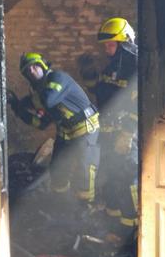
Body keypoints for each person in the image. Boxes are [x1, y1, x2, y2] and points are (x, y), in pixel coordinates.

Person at [8, 52, 100, 211]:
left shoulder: (57, 78)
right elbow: (40, 124)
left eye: (35, 66)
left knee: (85, 169)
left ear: (43, 65)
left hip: (85, 129)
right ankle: (61, 203)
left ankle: (86, 207)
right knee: (58, 168)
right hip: (65, 132)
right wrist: (18, 108)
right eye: (28, 70)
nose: (32, 71)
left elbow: (49, 100)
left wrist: (28, 102)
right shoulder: (39, 93)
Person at [84, 17, 138, 242]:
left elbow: (138, 105)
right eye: (106, 45)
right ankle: (115, 224)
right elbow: (102, 93)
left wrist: (127, 134)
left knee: (127, 178)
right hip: (109, 131)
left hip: (127, 135)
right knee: (111, 176)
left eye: (111, 45)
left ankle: (133, 229)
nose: (107, 50)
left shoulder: (136, 68)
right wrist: (89, 76)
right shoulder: (113, 67)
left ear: (124, 43)